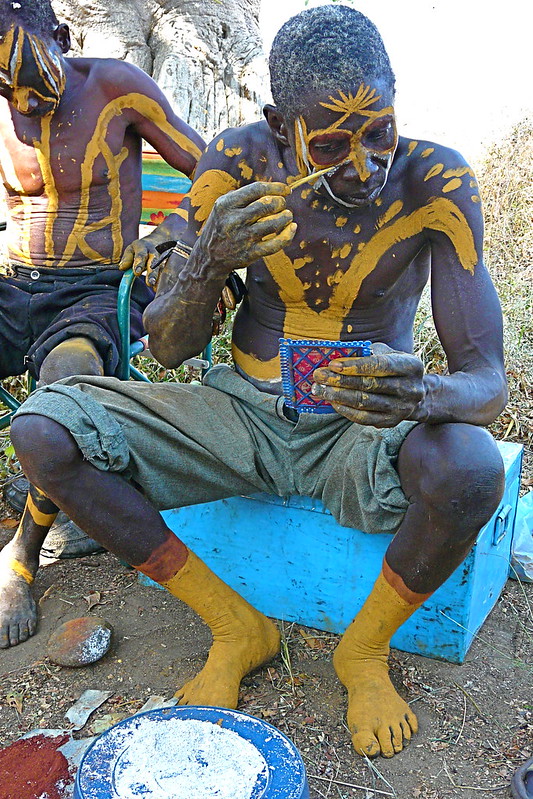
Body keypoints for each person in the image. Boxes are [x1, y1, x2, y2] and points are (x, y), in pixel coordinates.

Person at [9, 5, 507, 759]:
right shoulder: (237, 165)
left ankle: (361, 651)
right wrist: (208, 257)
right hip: (237, 409)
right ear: (281, 126)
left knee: (468, 468)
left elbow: (488, 381)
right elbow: (171, 351)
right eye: (333, 143)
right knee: (43, 431)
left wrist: (420, 395)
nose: (365, 163)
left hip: (358, 429)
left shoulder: (434, 181)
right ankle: (237, 627)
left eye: (378, 129)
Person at [0, 0, 204, 642]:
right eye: (9, 92)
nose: (26, 108)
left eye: (36, 85)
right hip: (15, 282)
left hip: (95, 287)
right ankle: (55, 495)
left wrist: (173, 227)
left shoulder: (116, 88)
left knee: (67, 380)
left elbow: (216, 172)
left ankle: (23, 557)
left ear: (59, 36)